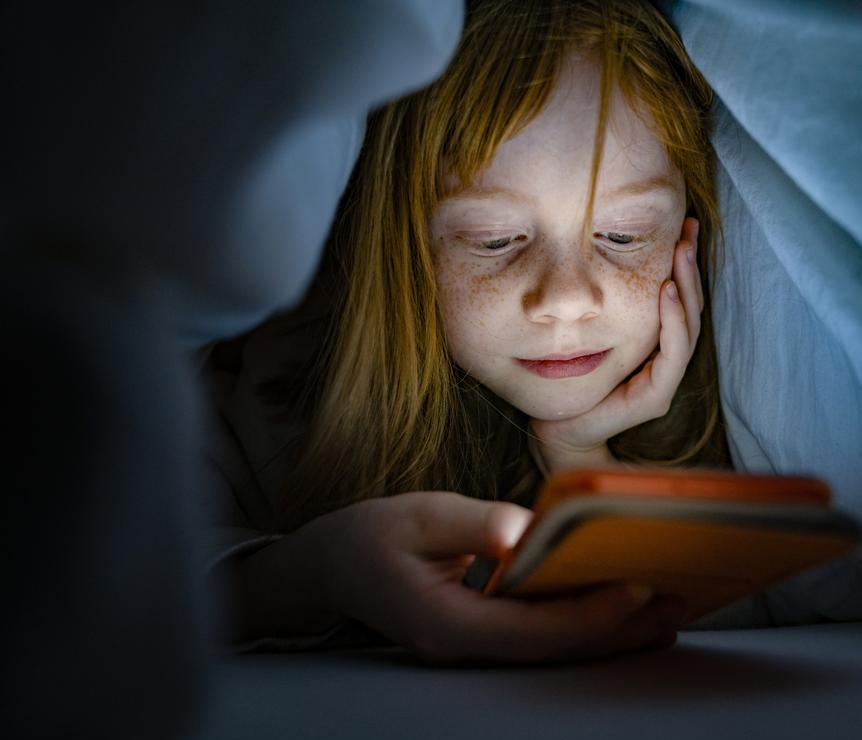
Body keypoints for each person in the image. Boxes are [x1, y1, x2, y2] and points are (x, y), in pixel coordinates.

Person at [203, 0, 731, 664]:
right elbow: (103, 591)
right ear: (403, 243)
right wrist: (320, 570)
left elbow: (725, 639)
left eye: (624, 236)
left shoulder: (734, 427)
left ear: (691, 224)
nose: (566, 300)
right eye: (495, 240)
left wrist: (578, 461)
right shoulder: (271, 409)